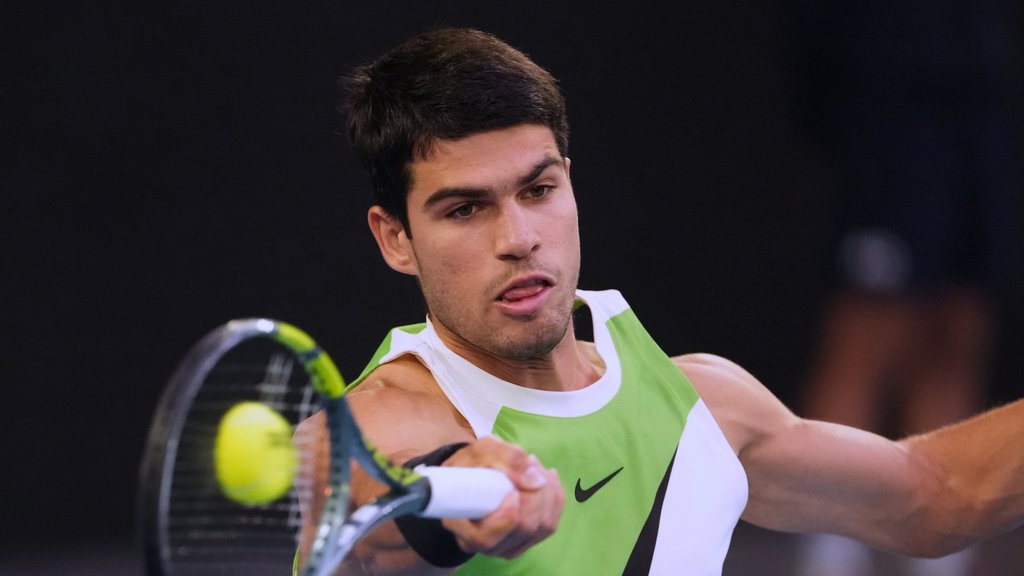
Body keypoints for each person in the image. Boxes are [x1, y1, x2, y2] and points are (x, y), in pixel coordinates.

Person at [296, 28, 1024, 576]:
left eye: (539, 190)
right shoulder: (366, 428)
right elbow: (372, 519)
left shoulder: (702, 404)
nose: (518, 238)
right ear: (395, 238)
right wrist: (460, 499)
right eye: (464, 209)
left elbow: (942, 496)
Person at [788, 2, 1021, 574]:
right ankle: (829, 537)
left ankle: (942, 538)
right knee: (867, 337)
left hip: (982, 132)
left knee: (958, 332)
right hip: (893, 133)